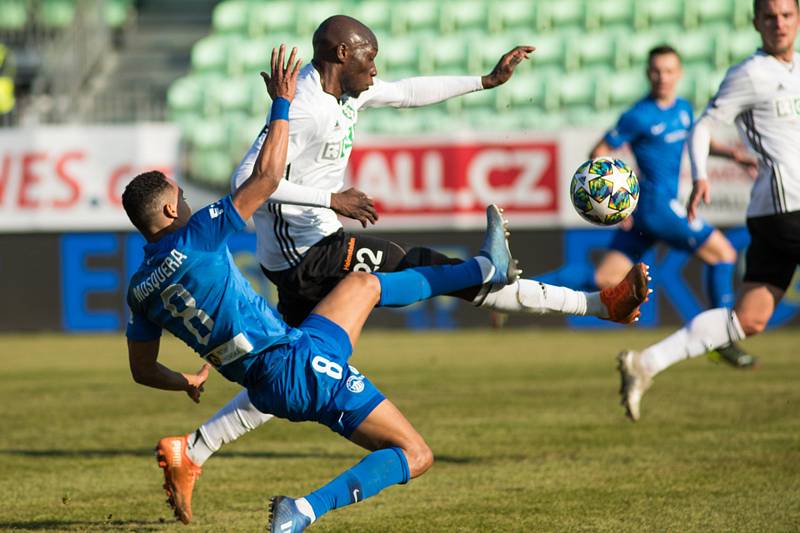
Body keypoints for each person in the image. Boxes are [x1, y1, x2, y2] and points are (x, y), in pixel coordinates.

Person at [154, 15, 653, 524]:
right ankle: (582, 299)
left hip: (312, 250)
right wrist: (333, 198)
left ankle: (193, 450)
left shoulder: (348, 93)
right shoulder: (303, 107)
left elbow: (410, 92)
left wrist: (485, 80)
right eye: (369, 56)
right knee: (430, 269)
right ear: (342, 56)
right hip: (309, 256)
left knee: (290, 374)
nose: (377, 67)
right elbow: (248, 180)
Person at [127, 46, 528, 531]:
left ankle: (485, 268)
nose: (188, 202)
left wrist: (185, 382)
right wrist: (281, 103)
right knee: (415, 453)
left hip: (278, 364)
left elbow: (143, 371)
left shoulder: (139, 291)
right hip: (296, 370)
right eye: (181, 199)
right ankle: (303, 511)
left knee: (363, 285)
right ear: (170, 213)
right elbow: (267, 177)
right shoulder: (198, 235)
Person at [618, 0, 800, 422]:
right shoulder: (751, 73)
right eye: (769, 16)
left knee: (749, 320)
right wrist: (701, 175)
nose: (779, 24)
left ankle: (645, 363)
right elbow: (703, 125)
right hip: (785, 206)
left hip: (775, 212)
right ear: (756, 22)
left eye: (787, 15)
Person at [537, 44, 761, 369]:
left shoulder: (683, 108)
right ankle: (721, 339)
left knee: (605, 277)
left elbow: (696, 140)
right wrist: (614, 201)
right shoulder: (639, 115)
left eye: (669, 71)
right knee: (724, 254)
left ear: (679, 74)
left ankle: (520, 290)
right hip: (658, 207)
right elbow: (599, 150)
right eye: (656, 71)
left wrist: (732, 155)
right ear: (647, 74)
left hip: (649, 212)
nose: (662, 77)